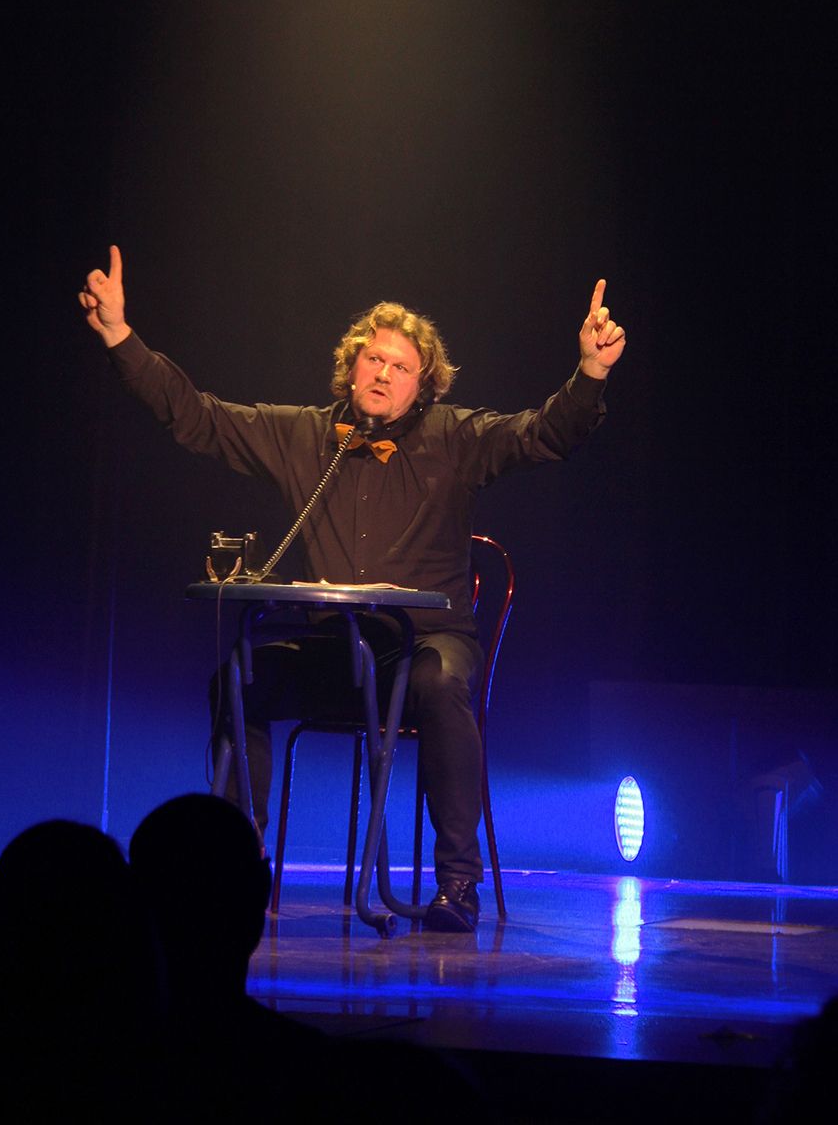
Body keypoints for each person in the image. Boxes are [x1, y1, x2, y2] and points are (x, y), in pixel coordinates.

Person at [80, 247, 625, 932]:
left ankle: (457, 884)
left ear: (424, 385)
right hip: (339, 650)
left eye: (401, 367)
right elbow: (199, 417)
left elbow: (543, 435)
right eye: (374, 359)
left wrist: (590, 373)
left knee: (441, 684)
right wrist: (121, 337)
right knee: (237, 681)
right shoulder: (305, 435)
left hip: (425, 646)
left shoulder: (455, 439)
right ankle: (235, 862)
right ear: (352, 364)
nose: (384, 373)